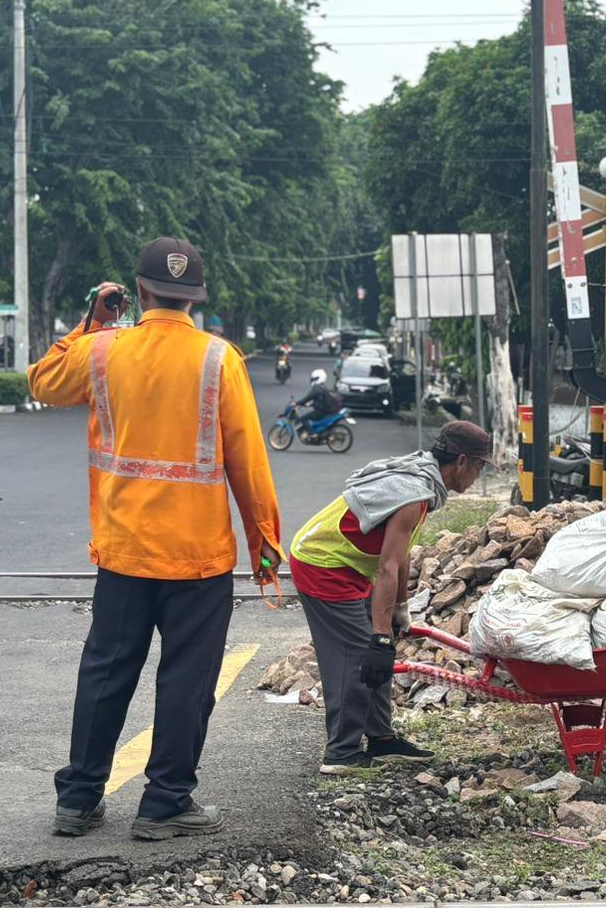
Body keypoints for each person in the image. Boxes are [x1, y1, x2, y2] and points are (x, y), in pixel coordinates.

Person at [27, 237, 283, 841]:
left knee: (106, 672)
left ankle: (79, 798)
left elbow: (41, 382)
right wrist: (264, 545)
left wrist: (94, 320)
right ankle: (164, 802)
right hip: (197, 559)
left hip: (123, 552)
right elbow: (248, 460)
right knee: (187, 679)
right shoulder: (219, 359)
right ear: (196, 298)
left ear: (138, 292)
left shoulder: (101, 350)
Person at [288, 421, 492, 771]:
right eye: (479, 466)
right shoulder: (414, 494)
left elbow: (401, 554)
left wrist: (399, 609)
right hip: (321, 563)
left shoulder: (423, 485)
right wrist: (380, 636)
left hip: (349, 565)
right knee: (358, 655)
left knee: (378, 651)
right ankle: (342, 753)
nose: (478, 476)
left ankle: (380, 738)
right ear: (461, 462)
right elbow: (387, 568)